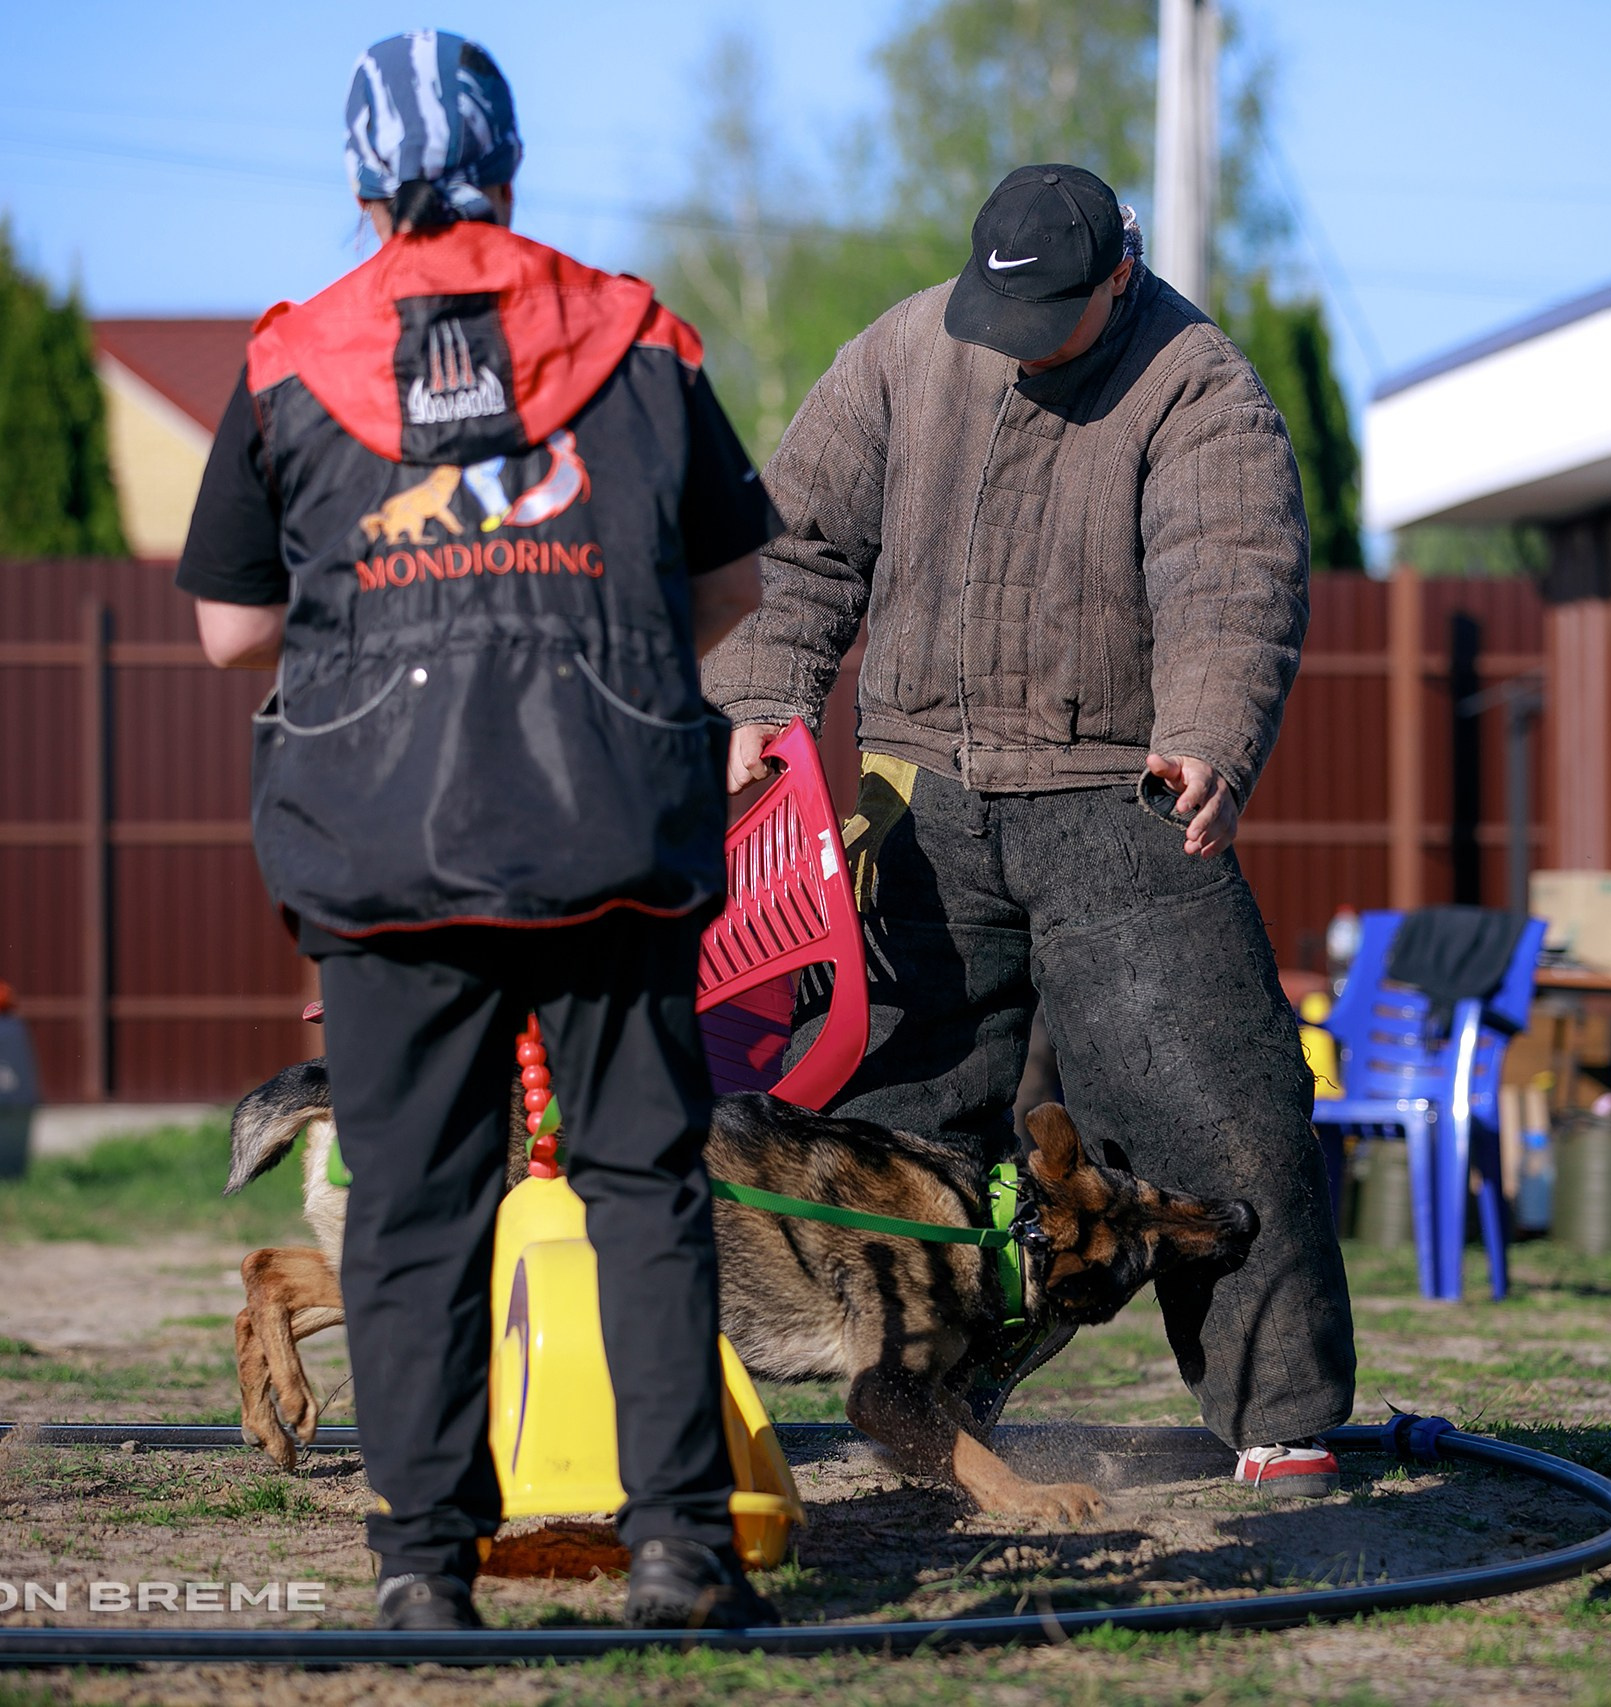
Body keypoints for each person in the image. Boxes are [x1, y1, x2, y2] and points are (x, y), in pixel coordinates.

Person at [175, 32, 780, 1630]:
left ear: (368, 185)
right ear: (509, 165)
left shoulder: (292, 360)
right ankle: (677, 1552)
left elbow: (231, 635)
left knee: (418, 1208)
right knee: (645, 1189)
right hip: (611, 839)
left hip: (381, 857)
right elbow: (734, 588)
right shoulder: (640, 337)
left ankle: (425, 1568)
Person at [703, 163, 1356, 1493]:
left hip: (1121, 789)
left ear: (1118, 277)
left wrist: (1208, 732)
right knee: (897, 1115)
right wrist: (767, 698)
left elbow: (1229, 574)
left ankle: (1280, 1417)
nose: (1005, 346)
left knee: (1215, 1105)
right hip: (918, 787)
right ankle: (928, 1396)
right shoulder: (900, 349)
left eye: (1044, 318)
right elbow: (801, 539)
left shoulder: (1197, 384)